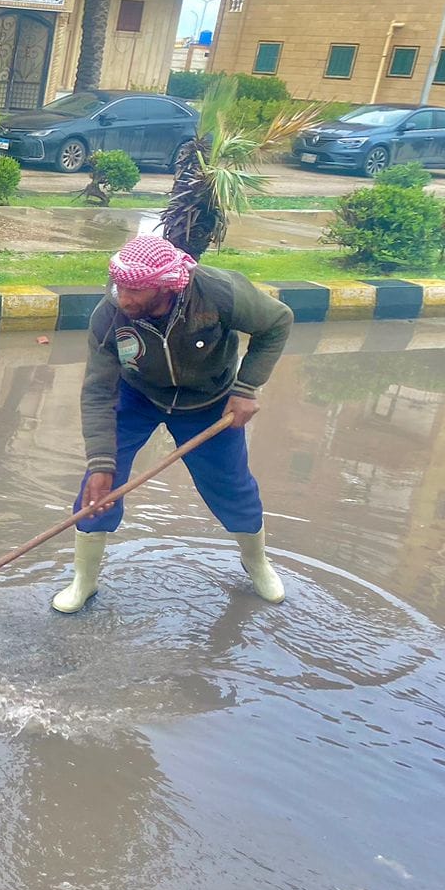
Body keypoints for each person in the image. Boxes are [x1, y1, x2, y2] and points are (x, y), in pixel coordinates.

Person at [52, 235, 292, 613]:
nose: (123, 298)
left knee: (232, 487)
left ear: (165, 287)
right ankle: (85, 580)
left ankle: (256, 563)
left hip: (208, 402)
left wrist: (246, 388)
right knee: (98, 486)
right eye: (120, 287)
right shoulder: (110, 315)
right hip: (137, 396)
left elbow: (277, 322)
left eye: (135, 291)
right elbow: (98, 391)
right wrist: (101, 461)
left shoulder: (218, 293)